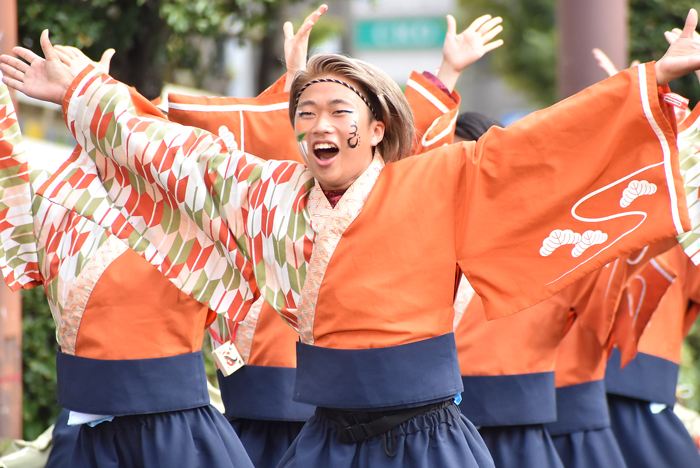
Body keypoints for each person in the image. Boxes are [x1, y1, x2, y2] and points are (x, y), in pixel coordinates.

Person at [3, 9, 700, 468]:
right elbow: (170, 153)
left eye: (339, 110)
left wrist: (652, 79)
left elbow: (537, 151)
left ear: (375, 130)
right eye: (305, 113)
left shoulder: (437, 181)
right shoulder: (267, 197)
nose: (317, 124)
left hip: (428, 441)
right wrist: (82, 93)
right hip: (325, 439)